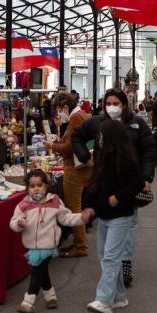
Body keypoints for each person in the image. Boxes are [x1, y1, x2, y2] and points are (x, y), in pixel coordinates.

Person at [72, 88, 155, 287]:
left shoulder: (137, 123)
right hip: (104, 182)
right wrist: (85, 157)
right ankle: (112, 269)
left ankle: (124, 263)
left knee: (130, 222)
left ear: (124, 104)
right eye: (108, 103)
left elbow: (149, 151)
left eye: (116, 103)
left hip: (128, 182)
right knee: (107, 223)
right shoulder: (96, 122)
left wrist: (146, 177)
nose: (112, 107)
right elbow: (76, 136)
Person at [83, 120, 145, 313]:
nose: (99, 139)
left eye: (101, 135)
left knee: (110, 256)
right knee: (105, 255)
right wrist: (89, 207)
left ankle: (104, 300)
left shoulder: (127, 159)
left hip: (121, 215)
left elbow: (137, 183)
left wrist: (118, 197)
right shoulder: (102, 157)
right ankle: (118, 296)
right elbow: (94, 184)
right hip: (104, 215)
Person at [10, 169, 92, 313]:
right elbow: (13, 222)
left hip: (48, 244)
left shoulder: (54, 201)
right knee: (42, 271)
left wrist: (81, 218)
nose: (36, 188)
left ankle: (28, 301)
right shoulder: (23, 204)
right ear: (27, 188)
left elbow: (65, 218)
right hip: (32, 246)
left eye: (39, 185)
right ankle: (50, 296)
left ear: (46, 186)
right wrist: (19, 223)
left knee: (37, 271)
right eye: (32, 186)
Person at [50, 92, 92, 258]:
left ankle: (80, 246)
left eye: (59, 109)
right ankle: (78, 243)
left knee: (73, 206)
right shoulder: (83, 115)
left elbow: (69, 147)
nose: (59, 113)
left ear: (65, 107)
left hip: (74, 167)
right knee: (75, 204)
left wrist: (52, 145)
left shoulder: (75, 118)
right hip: (81, 165)